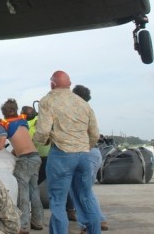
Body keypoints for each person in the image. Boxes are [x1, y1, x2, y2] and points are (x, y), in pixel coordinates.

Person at [33, 70, 101, 234]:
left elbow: (42, 131)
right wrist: (86, 146)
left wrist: (39, 143)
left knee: (57, 201)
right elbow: (95, 134)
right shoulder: (83, 103)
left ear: (52, 84)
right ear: (69, 84)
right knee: (86, 197)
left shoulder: (47, 101)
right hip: (84, 154)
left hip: (62, 154)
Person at [0, 99, 43, 233]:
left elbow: (0, 145)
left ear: (3, 113)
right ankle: (38, 221)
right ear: (15, 110)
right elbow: (20, 141)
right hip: (35, 157)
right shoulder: (22, 121)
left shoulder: (4, 125)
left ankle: (24, 226)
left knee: (22, 192)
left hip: (25, 160)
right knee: (34, 190)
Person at [71, 85, 109, 232]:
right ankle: (98, 220)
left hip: (83, 152)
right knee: (86, 191)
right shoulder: (89, 110)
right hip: (94, 153)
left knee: (78, 192)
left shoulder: (77, 111)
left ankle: (88, 224)